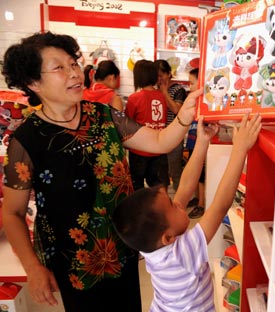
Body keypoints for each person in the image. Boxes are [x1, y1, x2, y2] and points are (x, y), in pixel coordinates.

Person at [1, 31, 201, 312]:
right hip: (74, 262)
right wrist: (33, 268)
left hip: (122, 250)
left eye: (73, 64)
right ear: (33, 82)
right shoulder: (27, 140)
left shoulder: (104, 116)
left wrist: (185, 114)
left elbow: (159, 141)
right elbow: (11, 213)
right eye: (60, 67)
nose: (74, 73)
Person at [112, 113, 262, 311]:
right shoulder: (181, 255)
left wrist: (202, 141)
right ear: (168, 238)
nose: (179, 203)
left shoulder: (151, 244)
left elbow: (184, 188)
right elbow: (220, 205)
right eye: (173, 205)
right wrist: (240, 149)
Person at [125, 59, 170, 191]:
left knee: (137, 187)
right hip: (159, 148)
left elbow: (128, 124)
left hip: (138, 150)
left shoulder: (134, 98)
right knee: (160, 187)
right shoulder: (162, 97)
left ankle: (140, 212)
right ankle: (162, 210)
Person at [155, 59, 187, 192]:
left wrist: (164, 92)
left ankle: (178, 202)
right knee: (160, 173)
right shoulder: (155, 89)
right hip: (158, 136)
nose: (159, 79)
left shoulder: (179, 89)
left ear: (169, 74)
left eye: (161, 75)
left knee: (175, 170)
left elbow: (176, 109)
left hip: (174, 136)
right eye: (156, 76)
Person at [185, 67, 206, 218]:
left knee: (202, 176)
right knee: (196, 174)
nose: (190, 86)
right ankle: (198, 198)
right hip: (193, 142)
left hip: (201, 143)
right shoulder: (194, 102)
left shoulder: (205, 103)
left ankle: (202, 204)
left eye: (192, 83)